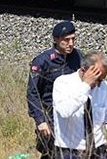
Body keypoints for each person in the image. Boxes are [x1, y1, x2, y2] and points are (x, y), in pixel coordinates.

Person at [27, 21, 83, 159]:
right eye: (66, 40)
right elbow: (33, 93)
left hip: (73, 117)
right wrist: (40, 121)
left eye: (73, 39)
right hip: (51, 118)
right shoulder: (43, 62)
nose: (71, 43)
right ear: (56, 39)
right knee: (53, 154)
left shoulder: (79, 57)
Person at [52, 52, 107, 159]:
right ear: (83, 70)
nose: (99, 84)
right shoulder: (63, 83)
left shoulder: (103, 86)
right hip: (70, 150)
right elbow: (65, 112)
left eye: (102, 79)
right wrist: (85, 86)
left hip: (98, 149)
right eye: (97, 78)